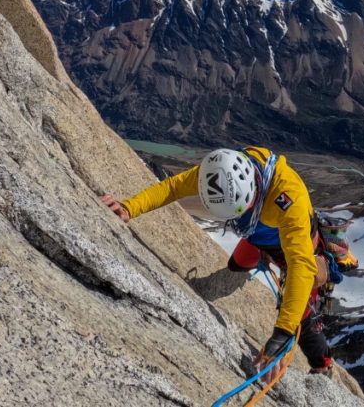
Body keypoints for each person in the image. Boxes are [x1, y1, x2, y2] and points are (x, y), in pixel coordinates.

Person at [101, 146, 333, 380]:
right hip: (259, 239)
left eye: (248, 206)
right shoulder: (217, 172)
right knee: (237, 265)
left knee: (301, 316)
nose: (247, 211)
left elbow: (300, 265)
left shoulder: (289, 200)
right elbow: (173, 187)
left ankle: (322, 363)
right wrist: (129, 208)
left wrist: (282, 332)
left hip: (296, 249)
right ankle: (252, 264)